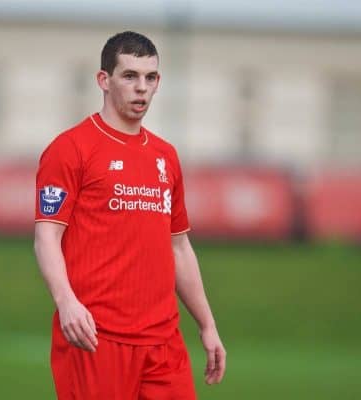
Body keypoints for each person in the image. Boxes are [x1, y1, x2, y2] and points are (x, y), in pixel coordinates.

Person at [34, 31, 226, 399]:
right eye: (130, 76)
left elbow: (179, 248)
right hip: (96, 338)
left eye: (150, 78)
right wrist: (66, 302)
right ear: (103, 80)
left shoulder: (165, 156)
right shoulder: (70, 149)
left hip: (162, 343)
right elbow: (46, 237)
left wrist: (207, 325)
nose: (142, 88)